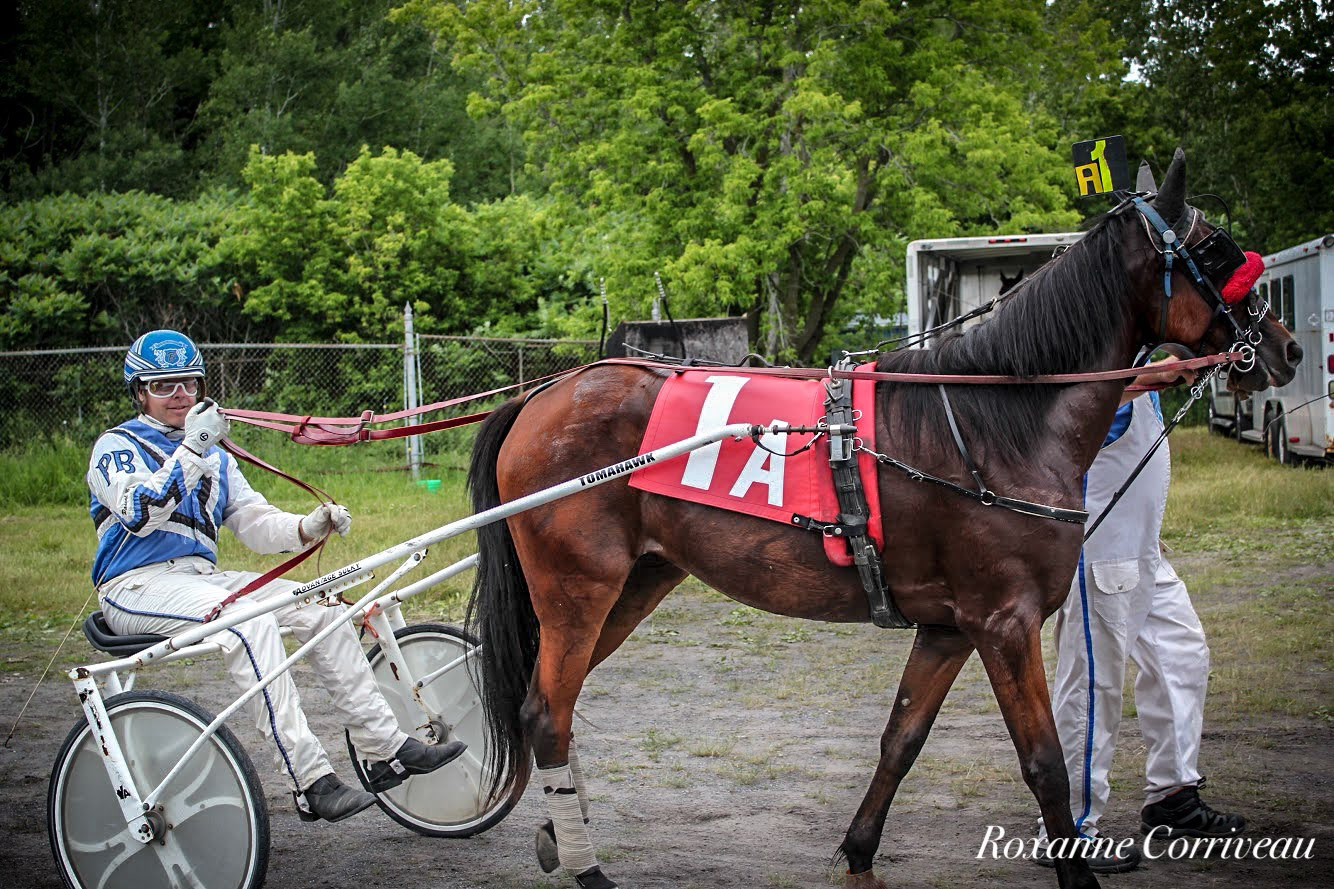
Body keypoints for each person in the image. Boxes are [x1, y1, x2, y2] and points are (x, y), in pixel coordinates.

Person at [89, 329, 466, 822]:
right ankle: (309, 781)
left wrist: (308, 526)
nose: (179, 394)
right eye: (164, 386)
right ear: (140, 393)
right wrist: (195, 447)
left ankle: (386, 750)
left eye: (189, 383)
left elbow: (254, 521)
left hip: (201, 577)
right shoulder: (116, 446)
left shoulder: (215, 454)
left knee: (322, 604)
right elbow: (139, 513)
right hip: (135, 585)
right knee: (251, 622)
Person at [1040, 361, 1246, 872]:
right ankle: (1066, 830)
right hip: (1101, 559)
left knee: (1183, 655)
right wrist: (1157, 375)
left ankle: (1172, 797)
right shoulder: (1103, 365)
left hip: (1144, 554)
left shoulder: (1138, 363)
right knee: (1092, 690)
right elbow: (1081, 401)